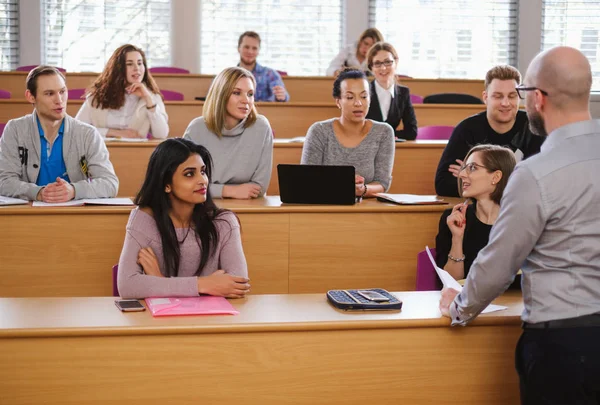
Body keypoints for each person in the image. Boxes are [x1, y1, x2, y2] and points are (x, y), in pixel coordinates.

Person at [439, 47, 600, 403]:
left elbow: (499, 265)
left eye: (523, 92)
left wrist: (458, 306)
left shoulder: (533, 174)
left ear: (538, 99)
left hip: (563, 347)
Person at [117, 138, 250, 299]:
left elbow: (238, 285)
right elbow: (127, 286)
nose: (202, 180)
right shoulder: (144, 219)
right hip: (160, 322)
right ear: (166, 184)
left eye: (202, 171)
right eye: (189, 174)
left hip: (213, 321)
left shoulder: (224, 222)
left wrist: (159, 281)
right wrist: (204, 284)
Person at [0, 65, 118, 201]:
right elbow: (4, 181)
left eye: (62, 92)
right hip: (28, 216)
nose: (59, 100)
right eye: (49, 93)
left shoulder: (88, 134)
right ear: (31, 96)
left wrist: (74, 190)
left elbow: (110, 183)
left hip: (74, 216)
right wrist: (38, 192)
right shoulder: (15, 129)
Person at [434, 65, 544, 197]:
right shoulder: (466, 129)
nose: (505, 103)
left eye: (512, 96)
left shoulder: (533, 127)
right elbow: (443, 184)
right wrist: (513, 181)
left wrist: (477, 178)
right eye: (498, 96)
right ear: (485, 97)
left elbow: (540, 182)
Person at [301, 69, 395, 198]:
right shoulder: (319, 131)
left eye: (364, 96)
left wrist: (363, 190)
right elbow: (306, 180)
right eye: (350, 97)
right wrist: (343, 185)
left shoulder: (384, 132)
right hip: (325, 205)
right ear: (338, 101)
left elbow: (382, 183)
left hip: (367, 208)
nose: (358, 103)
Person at [183, 67, 273, 199]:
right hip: (202, 206)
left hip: (249, 205)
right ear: (221, 95)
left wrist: (212, 188)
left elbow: (259, 187)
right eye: (237, 93)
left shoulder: (261, 127)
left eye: (250, 94)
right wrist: (228, 191)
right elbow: (186, 182)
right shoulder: (197, 129)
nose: (246, 100)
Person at [435, 144, 516, 281]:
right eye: (464, 168)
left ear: (496, 177)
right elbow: (451, 283)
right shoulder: (453, 219)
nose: (461, 174)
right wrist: (457, 238)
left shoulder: (522, 222)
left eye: (472, 168)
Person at [75, 44, 169, 139]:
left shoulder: (152, 98)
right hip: (100, 150)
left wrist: (148, 99)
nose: (137, 68)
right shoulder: (97, 97)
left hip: (135, 152)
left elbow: (161, 134)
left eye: (140, 63)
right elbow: (77, 129)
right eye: (129, 64)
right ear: (118, 68)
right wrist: (113, 132)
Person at [365, 42, 417, 140]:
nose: (383, 68)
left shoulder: (403, 93)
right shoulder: (362, 92)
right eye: (377, 63)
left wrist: (388, 136)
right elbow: (356, 129)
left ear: (395, 63)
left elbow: (412, 132)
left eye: (388, 62)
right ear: (371, 68)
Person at [237, 31, 289, 102]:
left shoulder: (270, 74)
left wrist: (282, 95)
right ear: (238, 48)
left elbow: (284, 97)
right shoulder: (229, 75)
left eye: (254, 48)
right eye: (246, 47)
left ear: (259, 51)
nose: (250, 52)